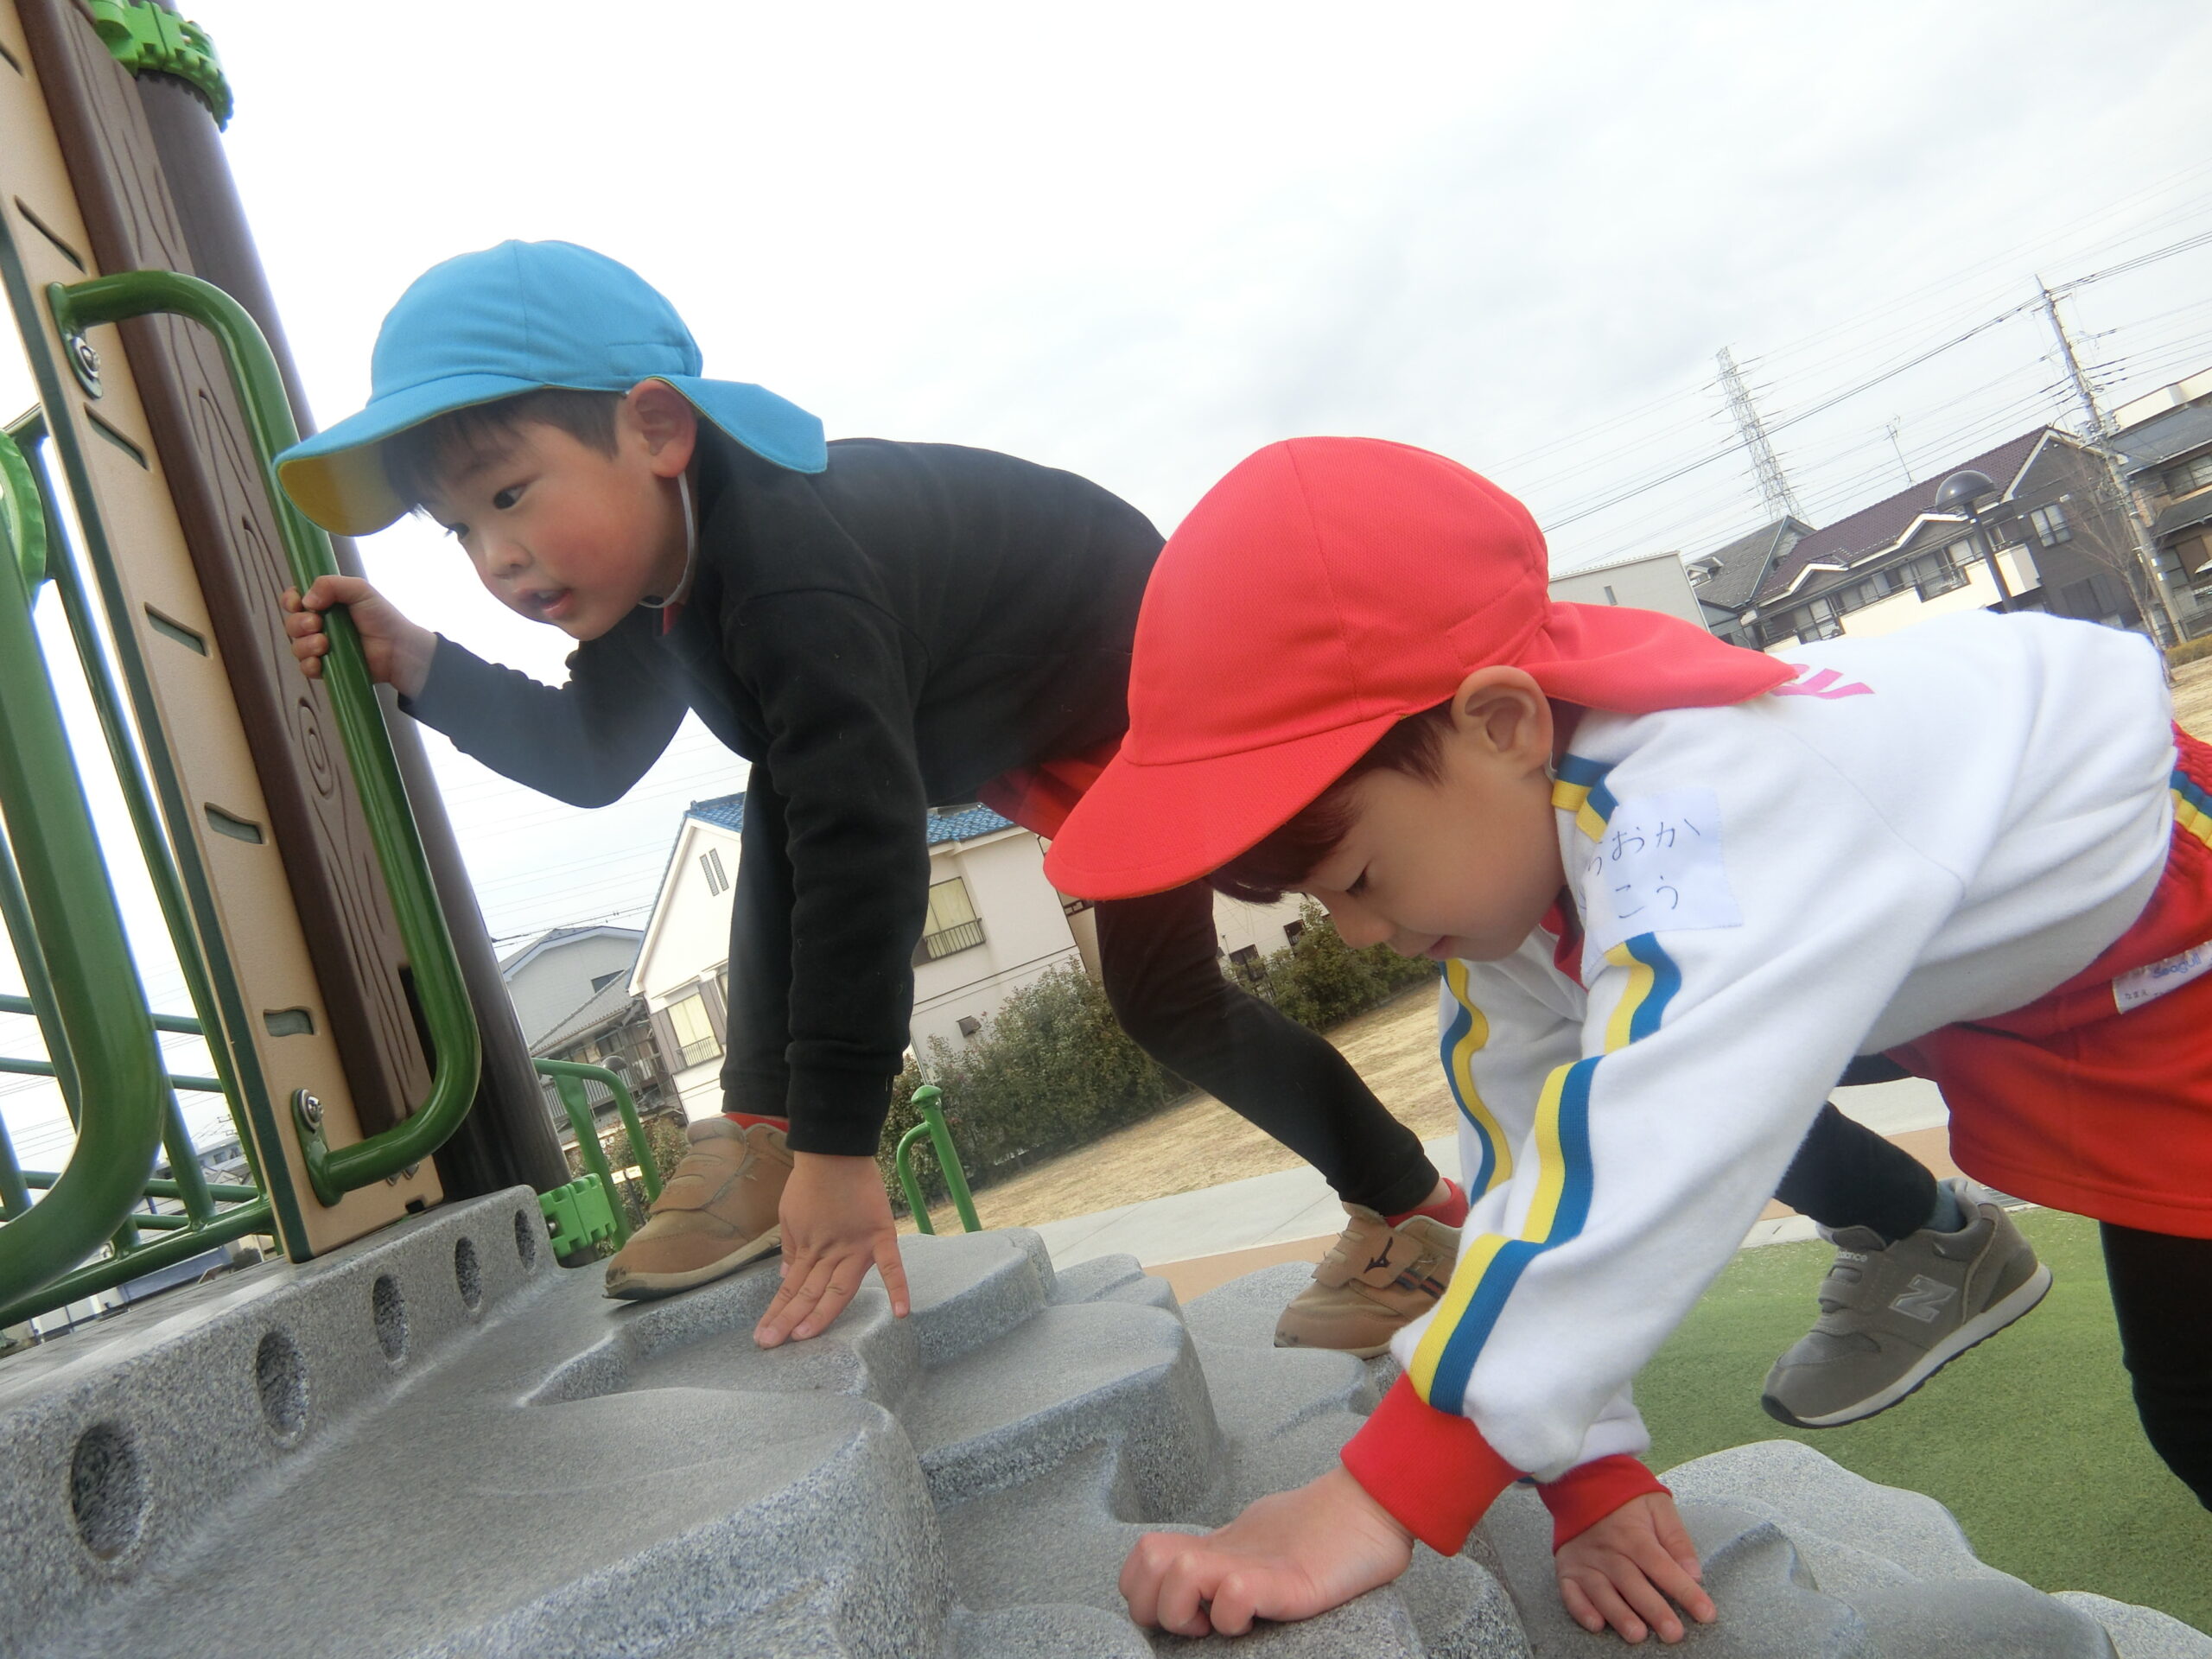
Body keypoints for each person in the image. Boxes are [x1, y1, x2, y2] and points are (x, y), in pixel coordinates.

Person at [1043, 435, 2211, 1639]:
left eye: (1360, 877)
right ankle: (1935, 1242)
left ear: (1503, 724)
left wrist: (1382, 1494)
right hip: (1979, 969)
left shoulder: (1692, 809)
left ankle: (1933, 1243)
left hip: (2168, 924)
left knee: (2197, 1393)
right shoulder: (1517, 876)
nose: (1361, 933)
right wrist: (1588, 1470)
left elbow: (1661, 1134)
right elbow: (1528, 1154)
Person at [271, 238, 1471, 1357]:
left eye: (509, 495)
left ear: (657, 429)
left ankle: (1433, 1153)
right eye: (458, 530)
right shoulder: (654, 581)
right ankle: (1412, 1207)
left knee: (1290, 889)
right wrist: (422, 664)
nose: (495, 557)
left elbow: (864, 840)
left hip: (1144, 675)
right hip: (1013, 707)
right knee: (853, 810)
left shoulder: (788, 571)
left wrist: (841, 1142)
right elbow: (594, 756)